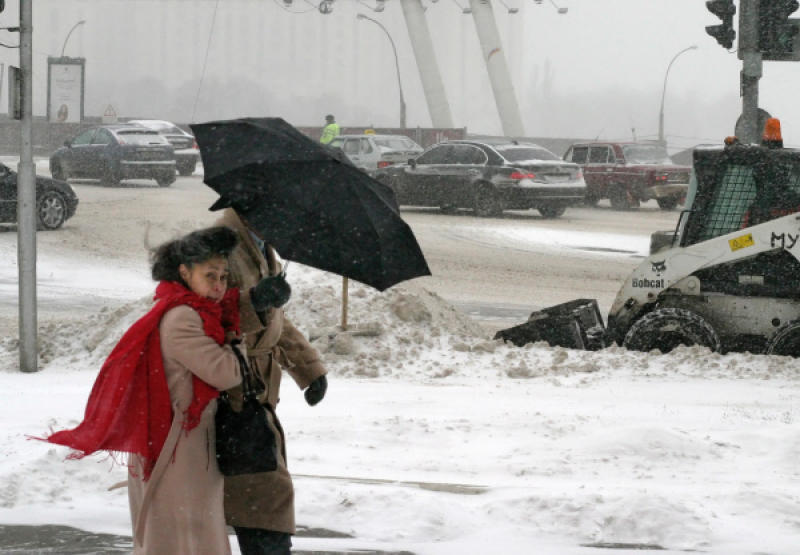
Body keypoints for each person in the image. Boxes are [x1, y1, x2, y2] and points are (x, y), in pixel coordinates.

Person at [43, 226, 248, 554]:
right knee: (183, 536)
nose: (219, 285)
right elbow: (228, 373)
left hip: (180, 442)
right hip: (178, 447)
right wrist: (236, 339)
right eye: (210, 275)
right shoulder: (184, 318)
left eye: (223, 276)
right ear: (184, 272)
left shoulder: (193, 312)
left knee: (182, 533)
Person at [215, 207, 328, 555]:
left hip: (256, 392)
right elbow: (202, 313)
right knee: (260, 492)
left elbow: (276, 322)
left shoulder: (262, 247)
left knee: (257, 492)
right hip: (232, 395)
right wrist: (254, 301)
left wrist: (309, 369)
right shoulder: (219, 246)